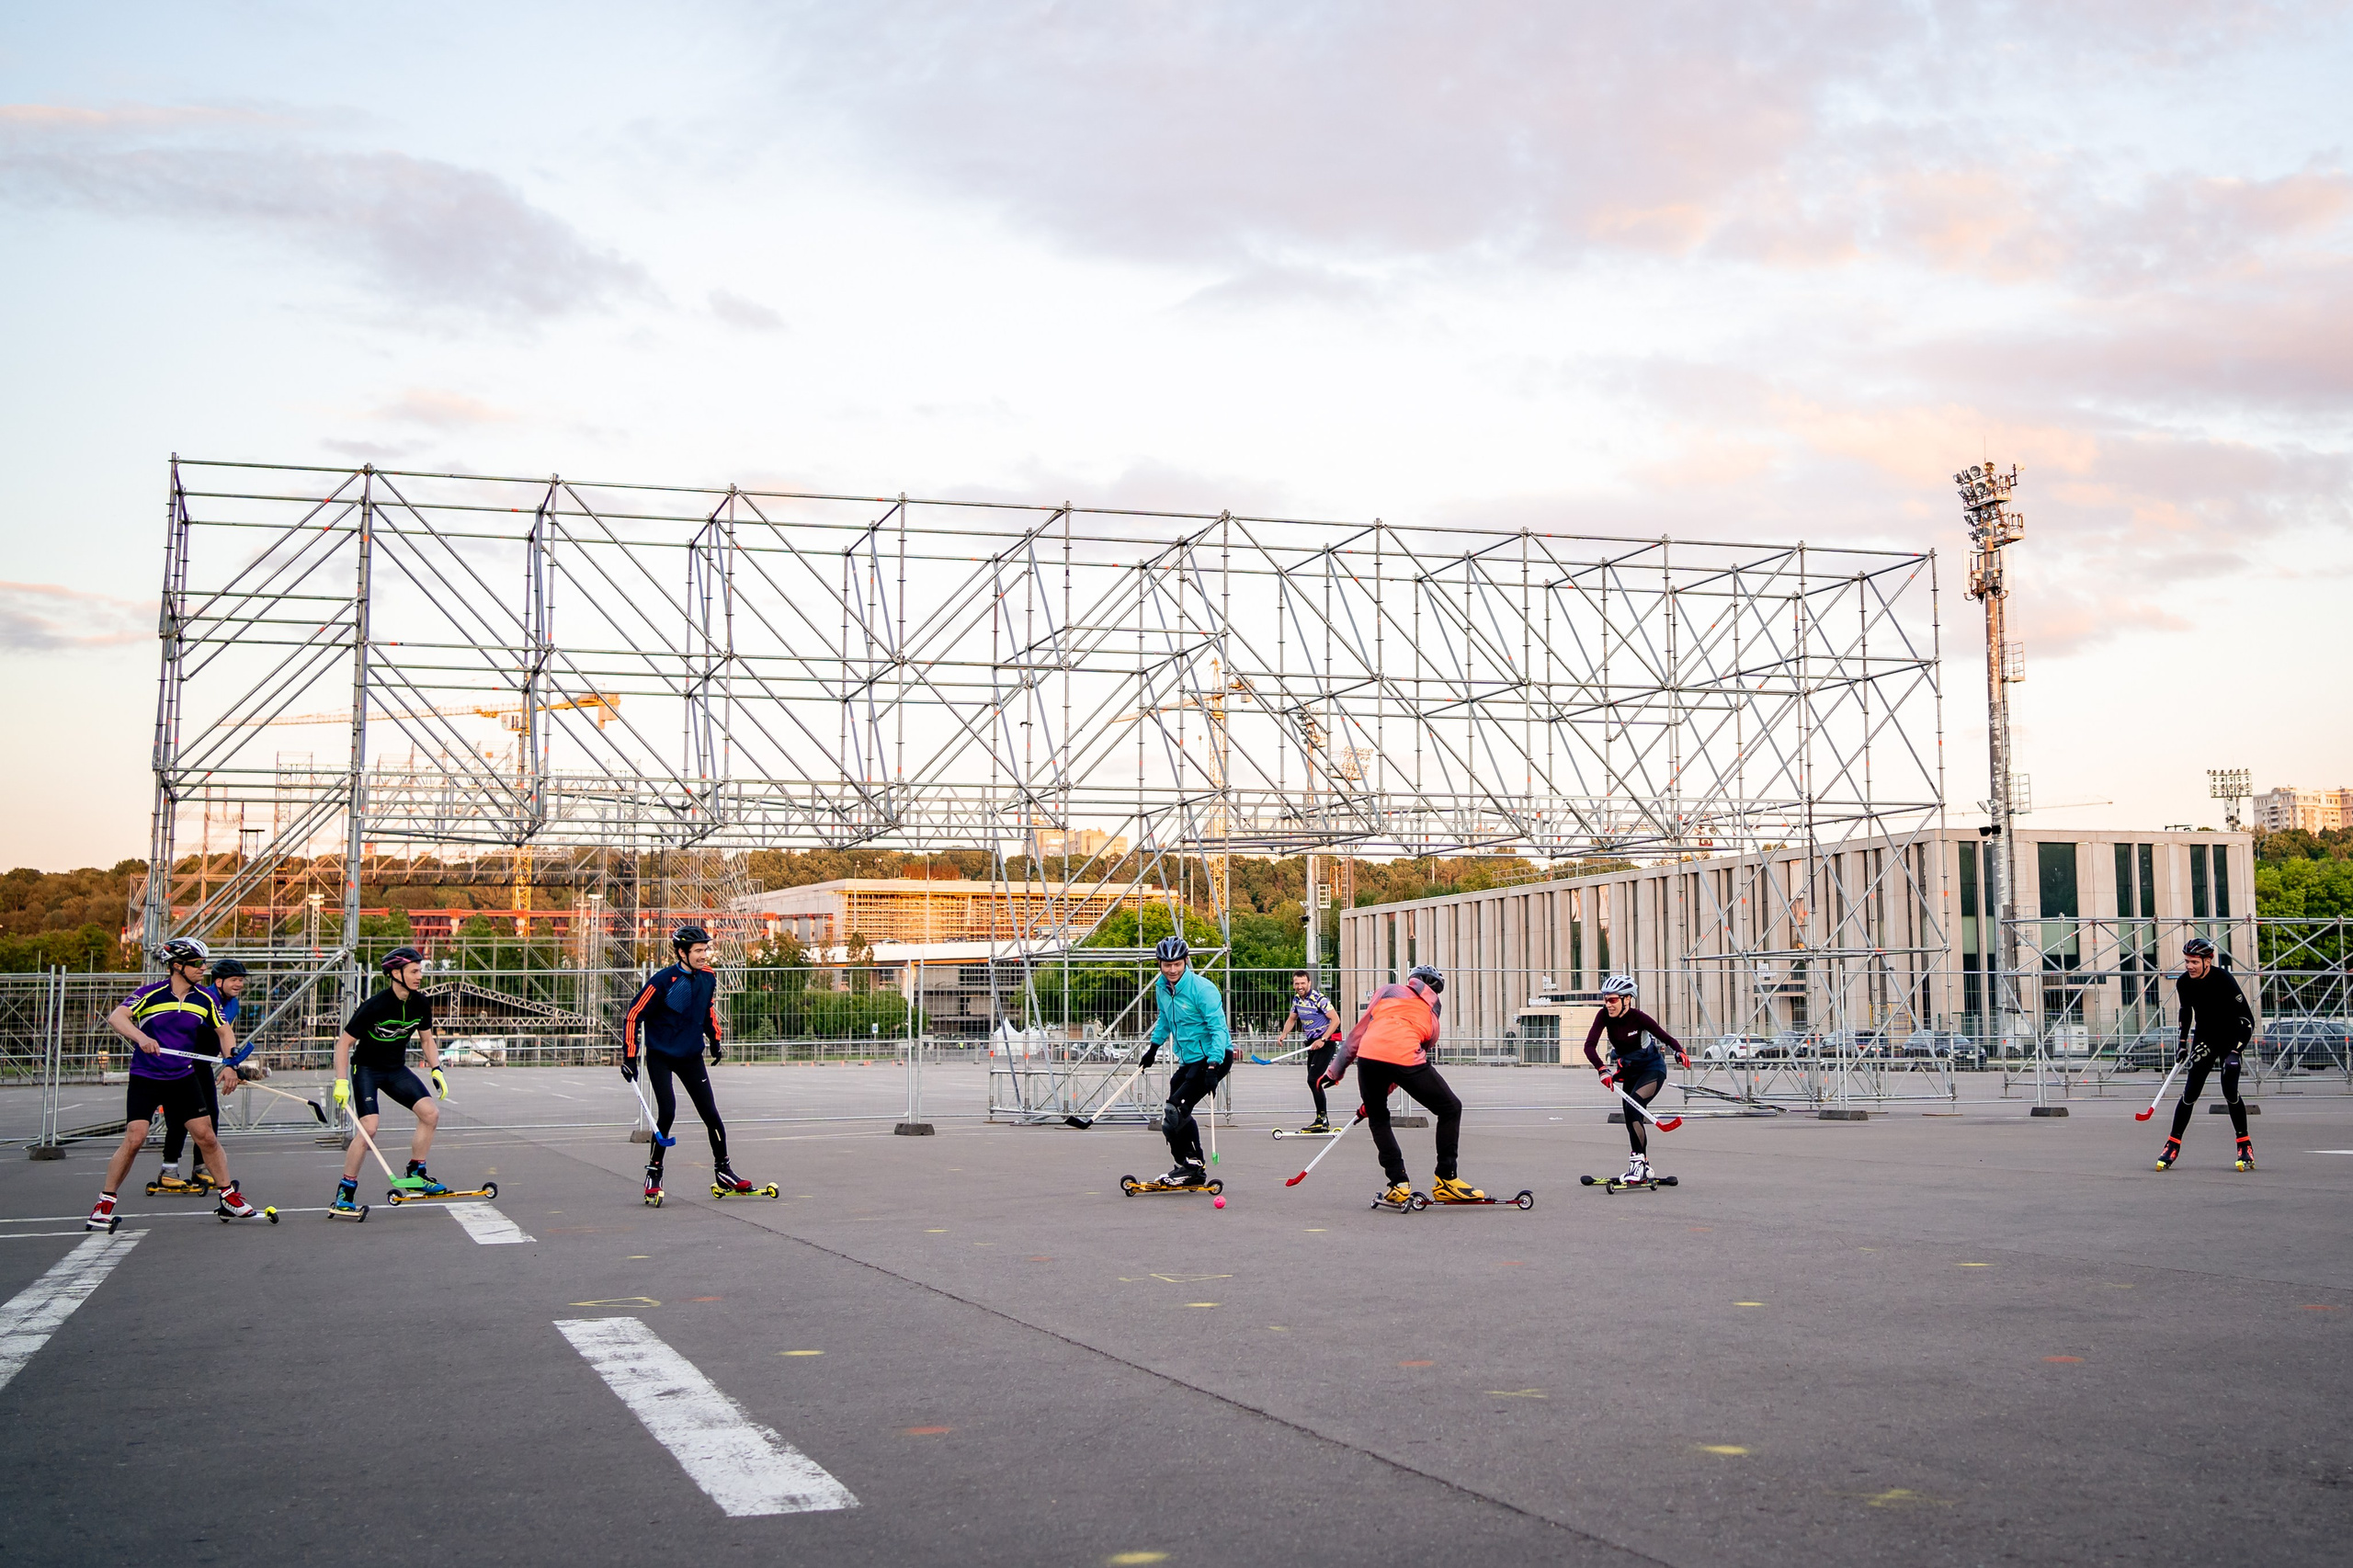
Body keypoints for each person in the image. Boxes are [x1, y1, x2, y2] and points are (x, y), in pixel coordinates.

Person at [90, 938, 265, 1228]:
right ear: (177, 966)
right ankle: (104, 1203)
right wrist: (142, 1038)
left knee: (207, 1136)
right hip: (147, 1076)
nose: (203, 969)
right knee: (135, 1137)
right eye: (197, 963)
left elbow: (224, 1032)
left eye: (204, 963)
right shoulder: (150, 994)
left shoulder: (205, 999)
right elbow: (117, 1017)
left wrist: (231, 1056)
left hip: (183, 1076)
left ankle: (228, 1197)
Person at [1323, 964, 1483, 1206]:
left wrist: (1335, 1071)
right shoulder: (1432, 1018)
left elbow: (1357, 1034)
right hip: (1404, 1058)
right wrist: (1383, 1091)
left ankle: (1398, 1182)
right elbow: (1403, 1068)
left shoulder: (1387, 991)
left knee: (1378, 1116)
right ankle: (1446, 1179)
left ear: (1412, 980)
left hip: (1368, 1055)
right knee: (1450, 1109)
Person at [620, 924, 745, 1201]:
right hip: (661, 1055)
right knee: (668, 1112)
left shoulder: (708, 977)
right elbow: (633, 1014)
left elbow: (706, 1010)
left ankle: (723, 1170)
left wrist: (715, 1039)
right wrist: (630, 1056)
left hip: (690, 1055)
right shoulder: (663, 981)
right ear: (682, 952)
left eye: (705, 950)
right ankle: (654, 1171)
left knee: (710, 1113)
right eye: (698, 951)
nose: (704, 956)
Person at [331, 946, 449, 1210]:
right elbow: (344, 1044)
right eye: (414, 971)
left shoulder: (420, 1003)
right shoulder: (375, 1006)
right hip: (368, 1070)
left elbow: (427, 1039)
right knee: (369, 1129)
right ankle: (345, 1192)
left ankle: (415, 1174)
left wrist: (436, 1068)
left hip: (395, 1069)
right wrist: (341, 1082)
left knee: (430, 1114)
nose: (420, 976)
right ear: (396, 973)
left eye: (420, 971)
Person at [2157, 937, 2256, 1171]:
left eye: (2194, 962)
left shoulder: (2224, 980)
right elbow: (2185, 1012)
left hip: (2231, 1038)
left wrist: (2236, 1052)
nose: (2189, 966)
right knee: (2190, 1092)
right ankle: (2172, 1144)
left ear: (2207, 961)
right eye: (2187, 961)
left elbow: (2247, 1020)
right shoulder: (2184, 983)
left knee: (2229, 1089)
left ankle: (2244, 1144)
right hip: (2205, 1039)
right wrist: (2182, 1043)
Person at [1144, 935, 1234, 1187]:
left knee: (1177, 1109)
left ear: (1186, 961)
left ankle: (1194, 1167)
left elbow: (1218, 1030)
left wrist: (1214, 1065)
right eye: (1166, 964)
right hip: (1190, 1060)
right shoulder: (1162, 987)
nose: (1172, 970)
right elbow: (1164, 1019)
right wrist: (1153, 1048)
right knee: (1171, 1118)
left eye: (1177, 964)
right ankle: (1185, 1165)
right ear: (1160, 964)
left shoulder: (1202, 989)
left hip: (1213, 1056)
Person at [1582, 974, 1688, 1185]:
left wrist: (1678, 1052)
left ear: (1627, 999)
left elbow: (1666, 1037)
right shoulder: (1603, 1016)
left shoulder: (1639, 1018)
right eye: (1606, 999)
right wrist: (1602, 1070)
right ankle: (1642, 1163)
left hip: (1652, 1069)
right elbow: (1589, 1046)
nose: (1608, 1004)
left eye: (1613, 1000)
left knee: (1634, 1108)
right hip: (1630, 1071)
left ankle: (1637, 1164)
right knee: (1632, 1118)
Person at [156, 957, 250, 1193]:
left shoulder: (233, 1004)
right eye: (234, 980)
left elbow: (223, 1036)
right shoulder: (203, 998)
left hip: (203, 1065)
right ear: (218, 982)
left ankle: (202, 1167)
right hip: (180, 1063)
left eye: (241, 980)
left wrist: (232, 1065)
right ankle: (169, 1169)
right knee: (180, 1118)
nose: (239, 984)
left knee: (210, 1115)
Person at [1271, 970, 1340, 1131]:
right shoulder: (1297, 999)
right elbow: (1292, 1018)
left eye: (1303, 983)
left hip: (1326, 1042)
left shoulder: (1319, 999)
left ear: (1309, 983)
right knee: (1313, 1080)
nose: (1300, 986)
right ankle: (1322, 1118)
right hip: (1311, 1044)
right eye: (1297, 983)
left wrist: (1323, 1039)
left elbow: (1336, 1020)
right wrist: (1284, 1034)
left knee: (1313, 1079)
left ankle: (1322, 1120)